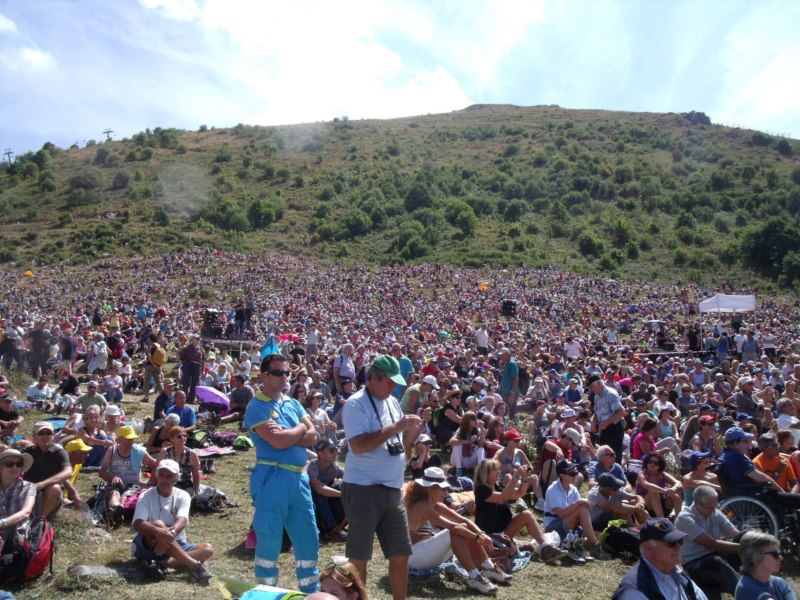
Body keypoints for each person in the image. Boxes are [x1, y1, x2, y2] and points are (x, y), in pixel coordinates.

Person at [341, 354, 423, 600]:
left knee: (401, 553)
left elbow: (401, 447)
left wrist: (410, 433)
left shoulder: (392, 403)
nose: (394, 387)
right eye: (389, 382)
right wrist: (396, 428)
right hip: (362, 488)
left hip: (392, 489)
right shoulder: (356, 404)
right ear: (374, 378)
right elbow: (359, 445)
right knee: (359, 557)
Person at [244, 353, 320, 594]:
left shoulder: (293, 403)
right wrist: (300, 430)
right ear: (264, 376)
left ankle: (311, 592)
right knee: (269, 539)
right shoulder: (257, 406)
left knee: (308, 536)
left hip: (299, 478)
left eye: (287, 372)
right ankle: (266, 593)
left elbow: (314, 436)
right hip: (272, 477)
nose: (284, 377)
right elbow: (277, 441)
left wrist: (291, 433)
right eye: (278, 372)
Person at [404, 466, 510, 595]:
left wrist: (480, 534)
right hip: (412, 559)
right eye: (442, 488)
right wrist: (478, 538)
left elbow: (465, 521)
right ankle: (475, 576)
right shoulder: (422, 506)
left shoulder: (436, 505)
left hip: (424, 552)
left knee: (461, 530)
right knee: (455, 532)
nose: (446, 492)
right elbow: (453, 527)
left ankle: (488, 568)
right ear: (430, 489)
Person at [132, 459, 214, 584]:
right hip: (150, 544)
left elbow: (182, 520)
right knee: (158, 524)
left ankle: (161, 564)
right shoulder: (146, 496)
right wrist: (159, 532)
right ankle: (194, 565)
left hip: (175, 541)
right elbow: (137, 523)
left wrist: (167, 536)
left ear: (176, 478)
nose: (165, 479)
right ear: (156, 476)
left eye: (169, 475)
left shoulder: (183, 495)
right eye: (161, 474)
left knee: (207, 549)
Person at [473, 458, 568, 563]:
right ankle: (521, 546)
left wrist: (525, 478)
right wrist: (516, 476)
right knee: (520, 536)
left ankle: (546, 548)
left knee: (527, 515)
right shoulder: (481, 490)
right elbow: (503, 496)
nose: (499, 472)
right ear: (486, 473)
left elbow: (520, 494)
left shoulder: (497, 486)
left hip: (503, 532)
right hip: (489, 536)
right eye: (495, 470)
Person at [612, 517, 708, 600]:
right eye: (671, 542)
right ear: (648, 548)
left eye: (680, 540)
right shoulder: (634, 591)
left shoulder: (679, 575)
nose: (678, 546)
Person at [674, 484, 741, 595]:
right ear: (697, 504)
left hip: (714, 557)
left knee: (744, 538)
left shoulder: (714, 512)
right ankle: (747, 594)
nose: (714, 510)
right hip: (694, 564)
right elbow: (711, 544)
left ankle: (759, 582)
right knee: (716, 561)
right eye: (710, 507)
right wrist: (745, 548)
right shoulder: (684, 518)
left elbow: (734, 532)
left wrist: (750, 541)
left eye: (715, 505)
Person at [544, 459, 610, 563]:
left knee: (597, 533)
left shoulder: (573, 489)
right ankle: (594, 546)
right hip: (553, 527)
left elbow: (578, 509)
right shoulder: (553, 489)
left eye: (576, 472)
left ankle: (578, 544)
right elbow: (561, 514)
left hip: (569, 524)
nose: (575, 475)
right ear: (562, 475)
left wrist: (582, 505)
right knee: (582, 509)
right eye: (571, 473)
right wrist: (579, 502)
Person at [98, 425, 157, 525]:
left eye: (132, 439)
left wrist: (151, 482)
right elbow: (101, 472)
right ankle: (114, 510)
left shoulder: (139, 451)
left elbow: (156, 465)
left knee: (127, 494)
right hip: (115, 483)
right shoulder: (112, 450)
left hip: (133, 484)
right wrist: (112, 477)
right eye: (128, 439)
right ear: (119, 440)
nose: (131, 442)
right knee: (114, 494)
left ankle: (117, 511)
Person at [0, 449, 36, 582]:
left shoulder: (28, 487)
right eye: (9, 464)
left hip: (15, 533)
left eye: (18, 464)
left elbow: (25, 513)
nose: (14, 467)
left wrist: (2, 523)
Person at [23, 421, 72, 517]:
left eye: (48, 433)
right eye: (41, 433)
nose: (45, 436)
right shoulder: (28, 452)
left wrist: (41, 484)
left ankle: (40, 520)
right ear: (34, 437)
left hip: (50, 497)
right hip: (30, 493)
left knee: (54, 488)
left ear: (53, 435)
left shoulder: (60, 453)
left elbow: (68, 472)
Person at [735, 531, 797, 600]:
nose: (780, 558)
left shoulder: (780, 583)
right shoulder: (745, 587)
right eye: (775, 554)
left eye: (779, 553)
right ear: (756, 559)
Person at [308, 439, 346, 541]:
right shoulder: (313, 466)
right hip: (312, 503)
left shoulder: (334, 467)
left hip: (326, 504)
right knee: (321, 494)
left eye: (335, 450)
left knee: (346, 487)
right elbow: (319, 489)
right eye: (331, 451)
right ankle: (332, 529)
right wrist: (343, 494)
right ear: (320, 453)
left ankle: (338, 527)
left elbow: (349, 477)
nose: (335, 453)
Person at [587, 373, 626, 463]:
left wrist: (606, 423)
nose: (591, 390)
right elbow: (597, 412)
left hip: (614, 429)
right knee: (604, 456)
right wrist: (594, 421)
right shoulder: (597, 396)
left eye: (592, 387)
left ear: (599, 384)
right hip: (604, 429)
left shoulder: (610, 394)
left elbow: (620, 412)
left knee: (613, 457)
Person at [636, 452, 683, 519]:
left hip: (662, 505)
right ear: (646, 463)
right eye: (650, 462)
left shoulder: (662, 474)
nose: (652, 464)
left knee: (677, 491)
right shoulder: (642, 474)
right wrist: (665, 491)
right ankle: (662, 521)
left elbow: (679, 483)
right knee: (653, 492)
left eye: (656, 463)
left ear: (660, 465)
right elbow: (648, 486)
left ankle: (678, 519)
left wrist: (673, 489)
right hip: (646, 506)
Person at [156, 426, 201, 495]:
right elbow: (156, 470)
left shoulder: (192, 454)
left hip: (185, 484)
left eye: (184, 435)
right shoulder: (164, 452)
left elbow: (195, 474)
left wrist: (197, 491)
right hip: (167, 483)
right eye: (179, 436)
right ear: (172, 439)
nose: (183, 438)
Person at [180, 334, 204, 404]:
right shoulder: (187, 348)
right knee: (186, 383)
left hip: (197, 366)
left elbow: (203, 360)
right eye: (196, 339)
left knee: (195, 383)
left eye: (198, 339)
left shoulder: (201, 349)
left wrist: (203, 370)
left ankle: (192, 399)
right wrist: (185, 365)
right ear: (192, 340)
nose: (198, 340)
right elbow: (182, 358)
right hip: (188, 364)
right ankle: (183, 399)